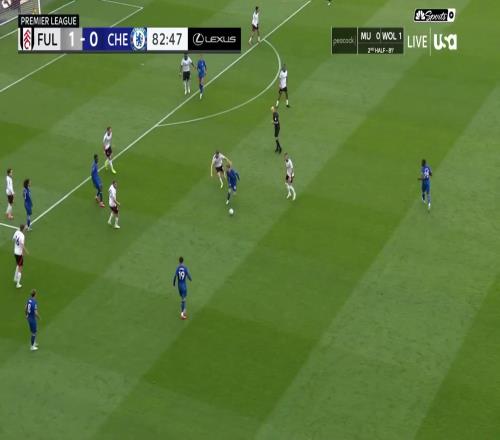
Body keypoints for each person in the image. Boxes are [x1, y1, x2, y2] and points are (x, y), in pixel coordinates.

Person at [13, 224, 28, 289]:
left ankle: (15, 278)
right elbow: (22, 244)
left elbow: (13, 238)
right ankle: (18, 284)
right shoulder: (22, 236)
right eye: (25, 228)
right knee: (20, 267)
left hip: (15, 252)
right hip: (19, 253)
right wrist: (24, 252)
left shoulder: (16, 232)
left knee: (18, 264)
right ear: (23, 229)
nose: (25, 229)